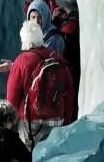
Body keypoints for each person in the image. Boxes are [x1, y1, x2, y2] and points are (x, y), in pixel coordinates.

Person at [6, 22, 74, 153]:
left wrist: (8, 125)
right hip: (56, 120)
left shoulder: (22, 61)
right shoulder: (57, 57)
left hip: (30, 123)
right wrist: (66, 119)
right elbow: (69, 91)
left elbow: (12, 98)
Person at [0, 0, 64, 74]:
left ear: (46, 17)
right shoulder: (30, 31)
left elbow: (39, 64)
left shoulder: (53, 38)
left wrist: (13, 66)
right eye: (33, 17)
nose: (36, 22)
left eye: (40, 17)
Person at [50, 0, 80, 120]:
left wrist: (54, 23)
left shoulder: (69, 26)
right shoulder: (75, 21)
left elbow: (60, 46)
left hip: (70, 72)